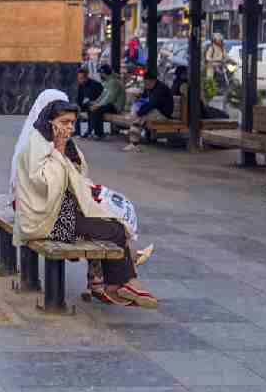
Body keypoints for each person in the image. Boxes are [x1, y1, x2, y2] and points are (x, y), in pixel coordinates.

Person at [12, 93, 158, 307]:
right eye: (64, 122)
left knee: (114, 221)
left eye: (72, 122)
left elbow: (80, 176)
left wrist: (64, 151)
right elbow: (47, 185)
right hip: (45, 220)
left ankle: (120, 282)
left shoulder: (62, 144)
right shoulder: (37, 145)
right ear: (50, 122)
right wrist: (59, 151)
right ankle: (118, 284)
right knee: (114, 230)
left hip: (63, 211)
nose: (69, 127)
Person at [124, 71, 174, 153]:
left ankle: (134, 143)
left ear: (152, 81)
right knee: (140, 116)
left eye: (145, 82)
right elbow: (145, 100)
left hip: (163, 114)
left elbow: (152, 104)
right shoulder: (151, 88)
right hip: (155, 112)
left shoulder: (160, 89)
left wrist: (138, 113)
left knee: (140, 117)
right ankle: (133, 143)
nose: (145, 84)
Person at [88, 65, 125, 140]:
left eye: (101, 73)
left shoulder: (114, 82)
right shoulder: (108, 81)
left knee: (97, 110)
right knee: (90, 108)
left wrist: (98, 106)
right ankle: (90, 132)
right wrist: (95, 103)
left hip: (116, 107)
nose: (100, 75)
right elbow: (102, 95)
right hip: (109, 105)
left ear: (104, 73)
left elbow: (110, 98)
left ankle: (99, 134)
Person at [75, 67, 103, 137]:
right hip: (86, 105)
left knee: (91, 109)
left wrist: (88, 101)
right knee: (74, 109)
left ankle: (91, 132)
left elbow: (97, 98)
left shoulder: (95, 84)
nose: (79, 80)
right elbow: (79, 98)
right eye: (78, 78)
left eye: (81, 78)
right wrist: (78, 105)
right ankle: (77, 132)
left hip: (96, 105)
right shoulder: (80, 85)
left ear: (86, 77)